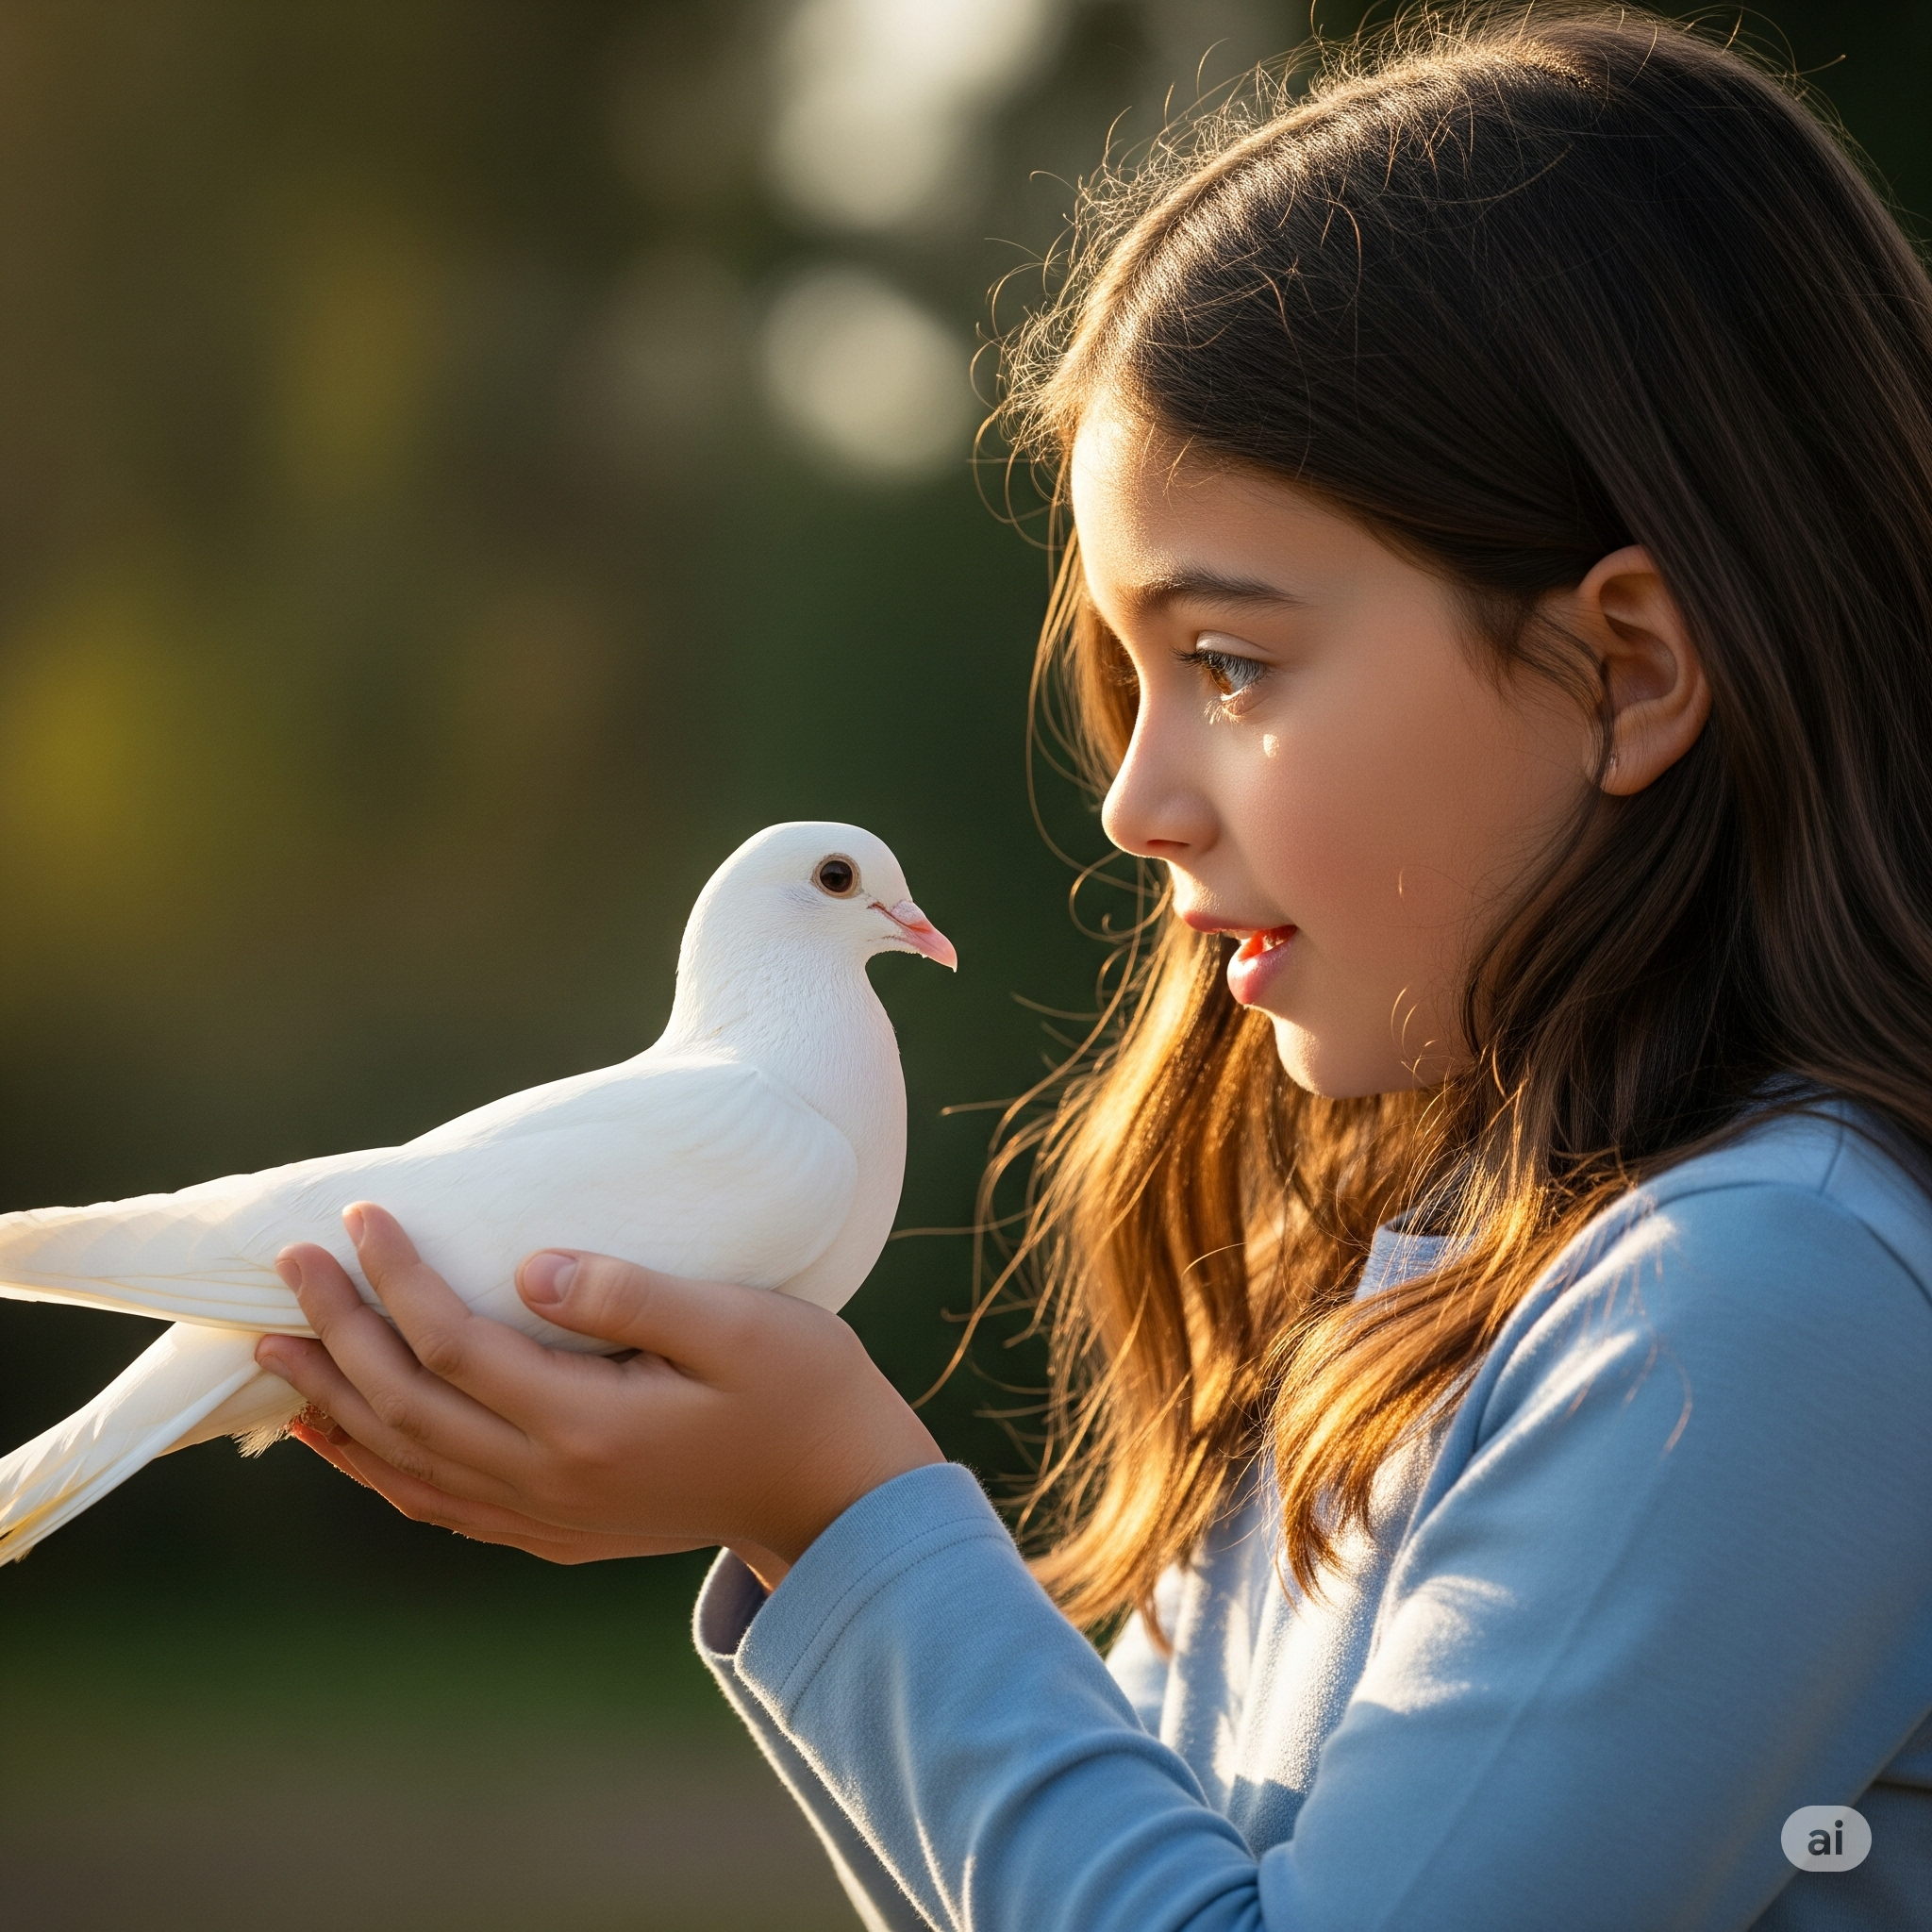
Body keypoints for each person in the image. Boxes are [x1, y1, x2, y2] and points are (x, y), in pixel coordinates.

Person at [255, 9, 1932, 1926]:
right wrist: (801, 1524)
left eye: (1226, 663)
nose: (1133, 799)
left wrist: (841, 1510)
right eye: (1126, 679)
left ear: (1626, 668)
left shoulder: (1759, 1304)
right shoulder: (1399, 1263)